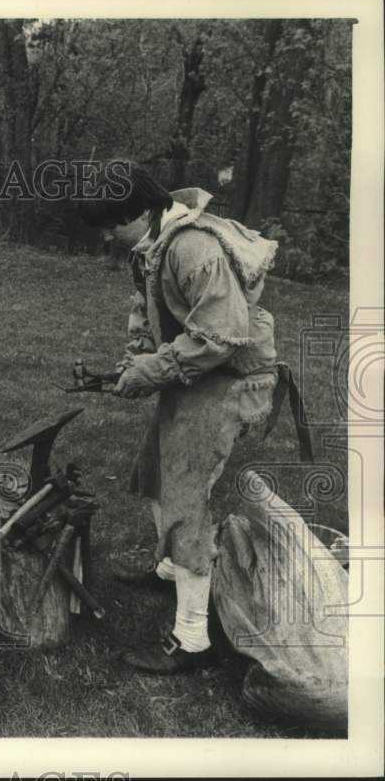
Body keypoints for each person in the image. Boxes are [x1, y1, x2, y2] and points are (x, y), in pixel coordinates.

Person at [78, 161, 279, 673]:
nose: (106, 237)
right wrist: (137, 357)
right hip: (196, 373)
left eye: (110, 225)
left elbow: (221, 335)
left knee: (186, 502)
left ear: (144, 211)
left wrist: (155, 369)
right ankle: (170, 570)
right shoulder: (152, 241)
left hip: (227, 378)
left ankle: (192, 640)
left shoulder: (194, 246)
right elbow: (146, 310)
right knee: (154, 476)